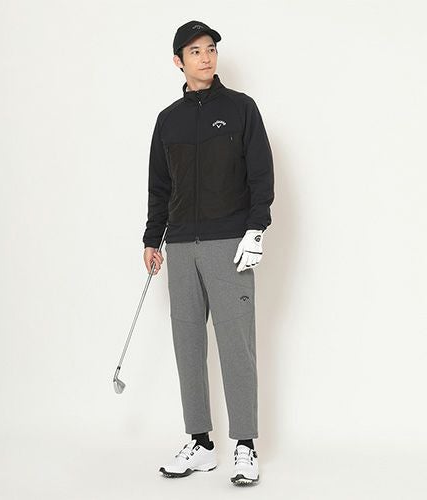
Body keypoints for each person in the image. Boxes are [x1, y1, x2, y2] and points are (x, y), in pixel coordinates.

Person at [142, 20, 274, 486]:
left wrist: (256, 229)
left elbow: (261, 174)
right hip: (180, 245)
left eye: (211, 49)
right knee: (188, 344)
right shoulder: (168, 120)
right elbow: (160, 186)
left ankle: (245, 445)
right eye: (195, 51)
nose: (206, 57)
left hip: (228, 244)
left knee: (236, 345)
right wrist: (152, 239)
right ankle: (200, 442)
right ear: (178, 61)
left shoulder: (241, 109)